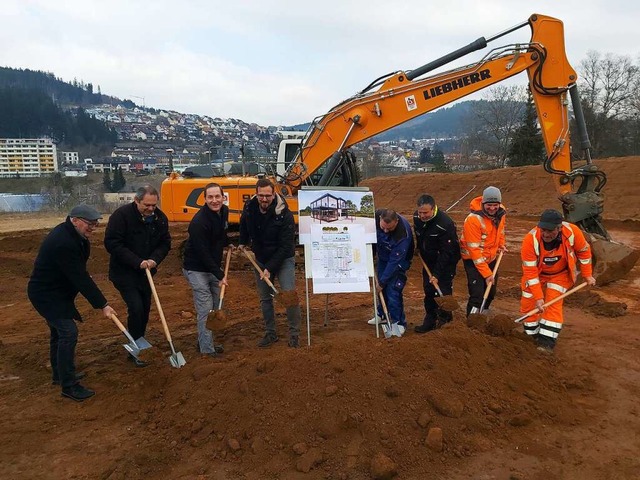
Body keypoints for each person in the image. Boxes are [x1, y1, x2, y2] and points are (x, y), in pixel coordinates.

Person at [27, 205, 117, 402]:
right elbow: (80, 277)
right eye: (89, 224)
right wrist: (103, 304)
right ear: (74, 220)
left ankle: (59, 375)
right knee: (68, 332)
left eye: (95, 224)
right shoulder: (63, 242)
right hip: (46, 295)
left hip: (57, 293)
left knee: (59, 333)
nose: (92, 228)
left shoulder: (75, 235)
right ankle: (69, 386)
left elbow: (78, 272)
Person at [104, 185, 171, 367]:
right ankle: (135, 348)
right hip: (124, 273)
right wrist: (137, 261)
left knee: (145, 309)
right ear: (136, 201)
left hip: (146, 273)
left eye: (153, 205)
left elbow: (165, 243)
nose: (150, 209)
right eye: (146, 205)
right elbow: (112, 243)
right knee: (136, 307)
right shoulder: (121, 216)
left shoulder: (160, 218)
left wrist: (154, 260)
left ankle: (139, 340)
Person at [520, 209, 596, 352]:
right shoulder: (530, 240)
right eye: (543, 230)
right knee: (528, 300)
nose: (546, 234)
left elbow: (584, 252)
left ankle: (546, 342)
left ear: (559, 228)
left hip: (560, 275)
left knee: (552, 302)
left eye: (550, 231)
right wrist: (538, 297)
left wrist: (587, 274)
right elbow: (530, 272)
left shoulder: (572, 232)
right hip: (537, 273)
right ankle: (530, 336)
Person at [239, 178, 301, 348]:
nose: (264, 199)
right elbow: (244, 223)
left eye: (267, 196)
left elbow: (285, 246)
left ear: (274, 194)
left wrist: (269, 268)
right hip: (261, 258)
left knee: (289, 295)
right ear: (256, 194)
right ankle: (270, 333)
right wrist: (242, 241)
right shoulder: (250, 207)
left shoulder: (285, 215)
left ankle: (294, 333)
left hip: (283, 259)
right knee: (265, 298)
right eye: (261, 196)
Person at [182, 182, 229, 356]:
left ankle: (204, 342)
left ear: (223, 198)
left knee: (216, 306)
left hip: (212, 267)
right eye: (210, 197)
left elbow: (220, 234)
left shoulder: (224, 211)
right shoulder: (199, 222)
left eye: (217, 196)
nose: (214, 200)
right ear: (205, 199)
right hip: (196, 269)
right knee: (206, 309)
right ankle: (207, 351)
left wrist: (227, 242)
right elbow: (202, 253)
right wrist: (220, 274)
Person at [412, 194, 461, 333]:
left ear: (433, 209)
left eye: (425, 213)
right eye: (420, 212)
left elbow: (447, 252)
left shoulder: (445, 224)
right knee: (428, 290)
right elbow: (419, 235)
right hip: (428, 260)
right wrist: (418, 248)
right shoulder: (417, 218)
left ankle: (446, 321)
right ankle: (430, 319)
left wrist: (437, 274)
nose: (422, 215)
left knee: (443, 292)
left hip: (446, 261)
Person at [460, 186, 507, 316]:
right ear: (483, 203)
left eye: (495, 205)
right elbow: (474, 251)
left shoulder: (501, 213)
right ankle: (472, 321)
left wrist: (501, 244)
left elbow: (500, 231)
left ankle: (483, 315)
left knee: (491, 291)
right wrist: (487, 274)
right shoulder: (473, 220)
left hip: (490, 258)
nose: (492, 208)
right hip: (473, 260)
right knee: (477, 294)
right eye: (489, 205)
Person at [368, 209, 414, 335]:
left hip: (399, 260)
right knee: (380, 288)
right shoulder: (375, 217)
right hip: (383, 257)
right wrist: (370, 255)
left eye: (389, 229)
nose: (386, 231)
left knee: (392, 290)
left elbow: (394, 262)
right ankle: (382, 314)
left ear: (396, 221)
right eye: (383, 227)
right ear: (380, 220)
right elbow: (369, 237)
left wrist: (383, 282)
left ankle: (398, 323)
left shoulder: (402, 234)